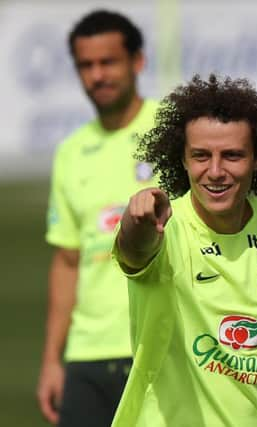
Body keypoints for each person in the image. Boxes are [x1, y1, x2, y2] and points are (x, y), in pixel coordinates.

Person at [111, 74, 257, 426]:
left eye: (232, 155)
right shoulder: (165, 224)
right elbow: (132, 252)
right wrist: (136, 221)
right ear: (184, 160)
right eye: (201, 156)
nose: (216, 171)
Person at [36, 10, 158, 426]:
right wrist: (53, 360)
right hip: (86, 356)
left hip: (156, 346)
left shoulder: (172, 130)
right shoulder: (71, 151)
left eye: (108, 62)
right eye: (86, 65)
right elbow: (67, 260)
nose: (97, 75)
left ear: (137, 62)